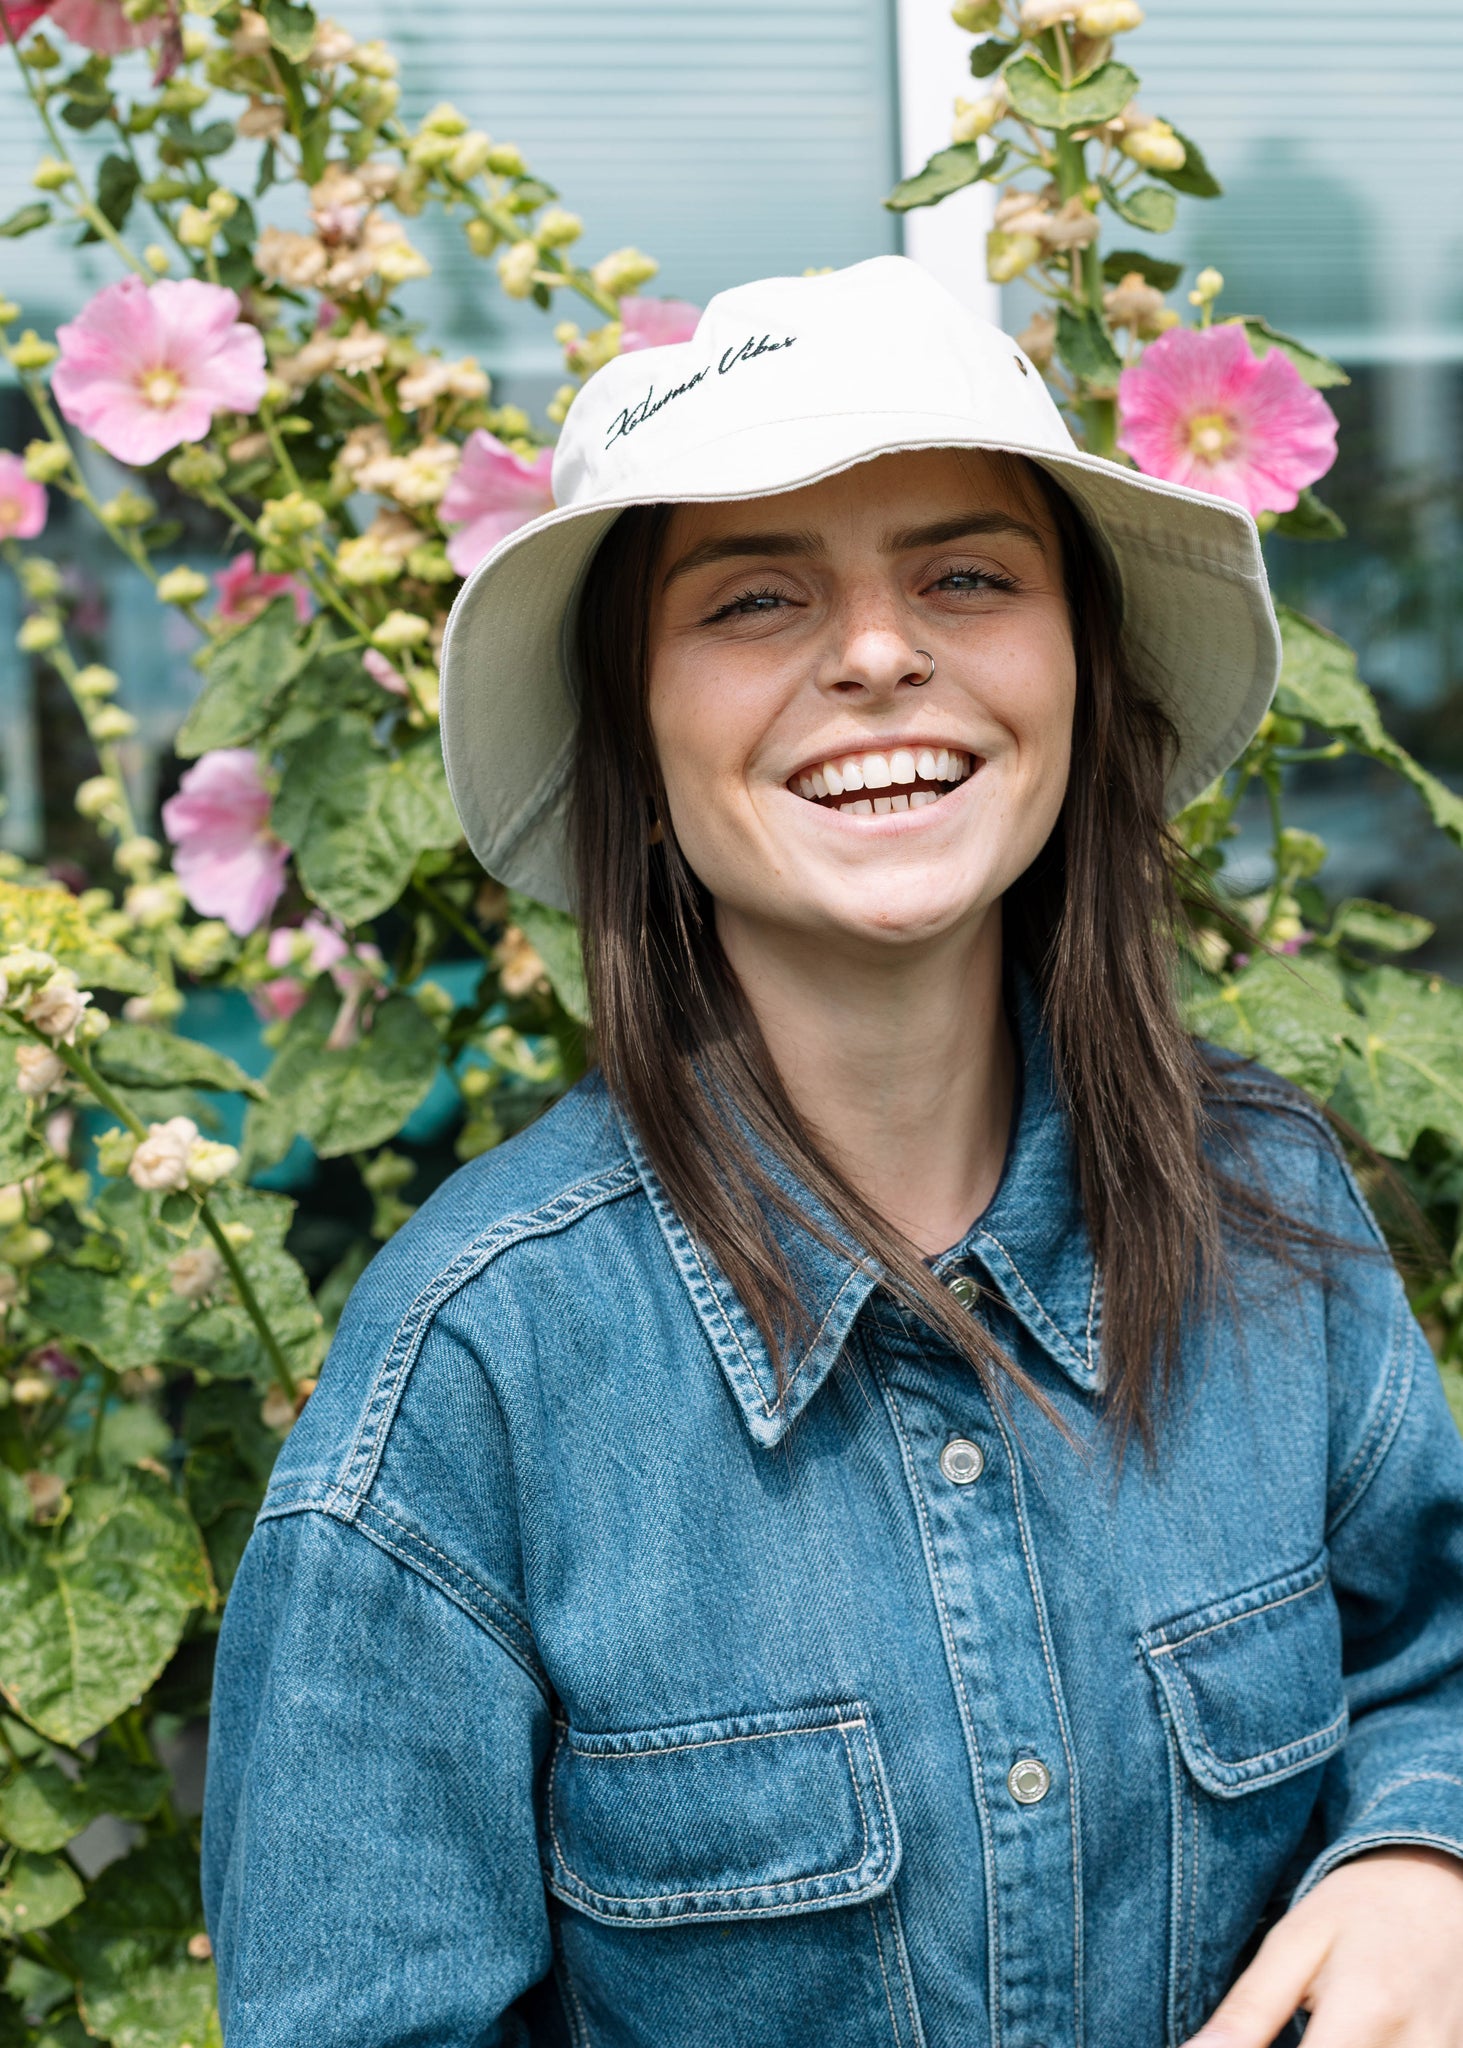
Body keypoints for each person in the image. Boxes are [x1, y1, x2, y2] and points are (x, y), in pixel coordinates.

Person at [201, 256, 1463, 2048]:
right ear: (637, 730)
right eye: (752, 600)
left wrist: (1429, 1864)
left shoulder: (1266, 1213)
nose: (878, 652)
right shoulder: (471, 1383)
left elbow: (1439, 1664)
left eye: (966, 573)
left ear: (1082, 665)